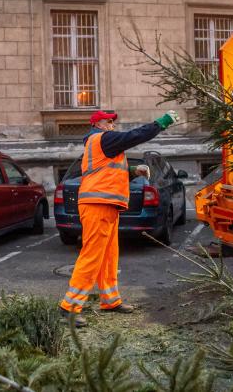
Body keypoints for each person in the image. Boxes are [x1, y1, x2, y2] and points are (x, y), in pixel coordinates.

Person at [59, 109, 179, 327]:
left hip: (105, 206)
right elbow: (134, 136)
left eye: (113, 122)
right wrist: (161, 123)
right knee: (92, 256)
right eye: (109, 121)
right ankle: (70, 307)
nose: (112, 125)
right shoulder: (102, 138)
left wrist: (134, 171)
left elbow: (106, 172)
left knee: (108, 255)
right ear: (99, 124)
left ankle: (110, 300)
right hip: (97, 205)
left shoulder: (99, 144)